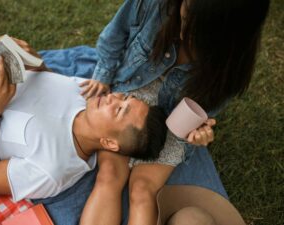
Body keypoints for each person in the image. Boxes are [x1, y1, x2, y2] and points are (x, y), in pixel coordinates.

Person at [0, 0, 168, 202]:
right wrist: (34, 60)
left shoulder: (52, 170)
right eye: (124, 98)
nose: (114, 97)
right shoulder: (86, 96)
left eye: (120, 111)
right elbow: (48, 80)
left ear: (109, 143)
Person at [79, 0, 270, 224]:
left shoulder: (229, 65)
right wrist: (104, 72)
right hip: (131, 98)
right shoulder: (155, 4)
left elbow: (202, 113)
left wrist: (197, 132)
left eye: (196, 28)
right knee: (109, 176)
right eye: (185, 15)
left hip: (175, 124)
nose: (182, 30)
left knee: (142, 190)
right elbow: (115, 33)